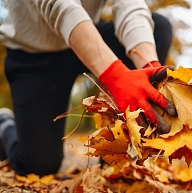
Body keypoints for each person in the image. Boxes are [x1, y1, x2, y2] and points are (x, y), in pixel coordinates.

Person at [0, 0, 177, 176]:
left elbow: (130, 5)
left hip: (88, 33)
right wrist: (115, 75)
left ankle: (116, 156)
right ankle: (4, 123)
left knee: (158, 27)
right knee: (39, 166)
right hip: (34, 52)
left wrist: (149, 67)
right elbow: (59, 4)